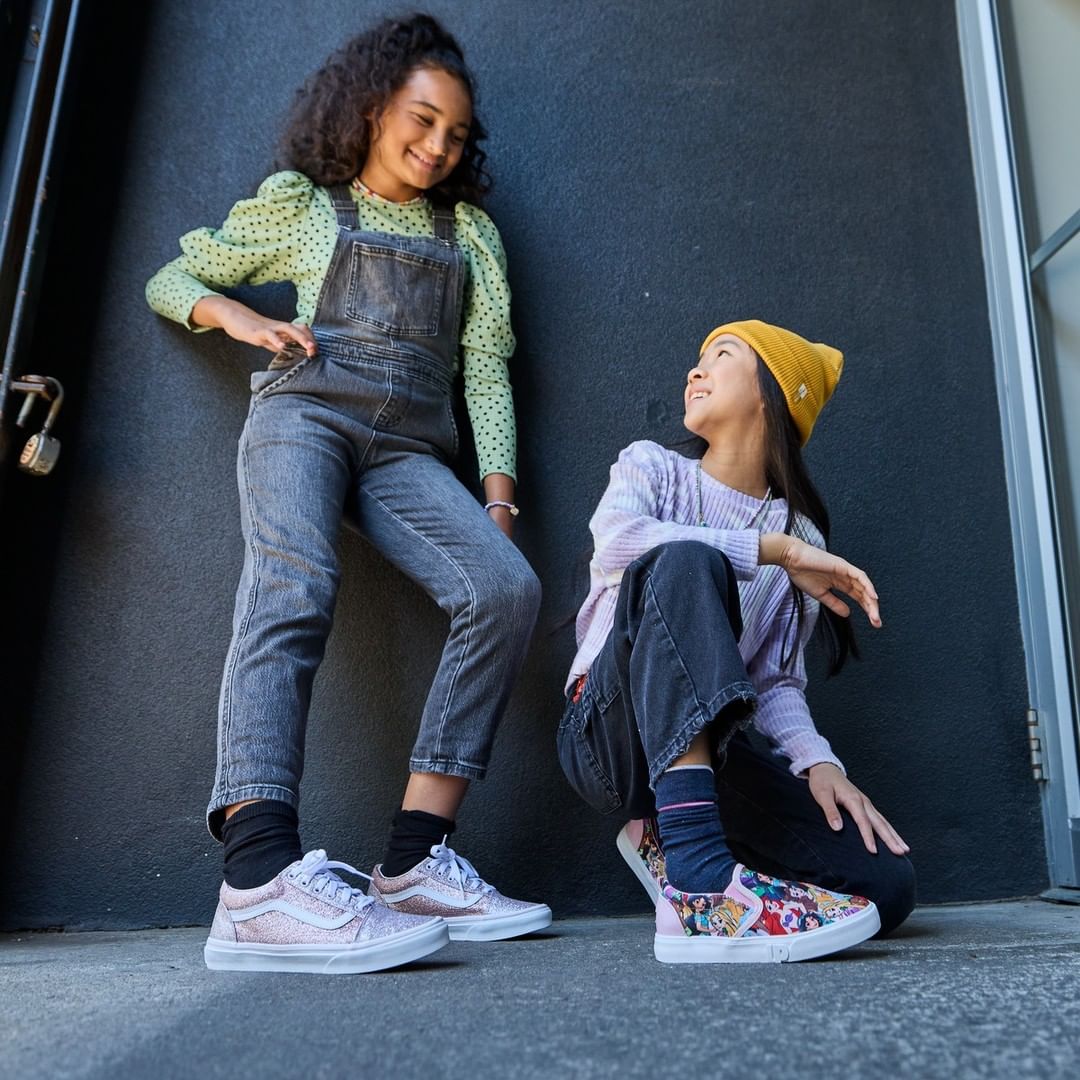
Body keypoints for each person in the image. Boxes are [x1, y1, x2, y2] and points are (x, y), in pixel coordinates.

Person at [146, 13, 549, 974]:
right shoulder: (304, 206)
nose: (437, 146)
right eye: (421, 119)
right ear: (371, 109)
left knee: (505, 590)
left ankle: (413, 861)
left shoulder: (471, 234)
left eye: (455, 133)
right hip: (307, 415)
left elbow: (484, 371)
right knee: (292, 590)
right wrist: (239, 318)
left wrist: (497, 503)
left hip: (408, 449)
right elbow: (171, 276)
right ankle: (255, 881)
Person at [557, 319, 915, 963]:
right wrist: (774, 552)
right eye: (699, 358)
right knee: (688, 562)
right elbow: (616, 542)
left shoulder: (800, 534)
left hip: (714, 750)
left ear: (774, 396)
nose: (695, 370)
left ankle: (668, 837)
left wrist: (819, 763)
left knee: (884, 886)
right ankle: (699, 884)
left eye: (721, 355)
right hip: (608, 735)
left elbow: (775, 681)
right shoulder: (653, 467)